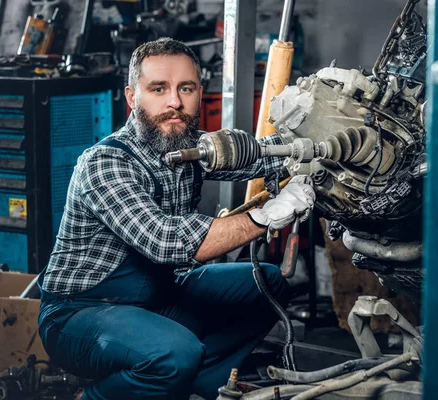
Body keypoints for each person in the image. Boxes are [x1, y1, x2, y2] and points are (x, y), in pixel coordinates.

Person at [37, 37, 315, 400]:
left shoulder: (193, 148)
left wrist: (309, 150)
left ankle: (198, 385)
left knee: (268, 282)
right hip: (80, 314)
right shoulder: (105, 163)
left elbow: (263, 158)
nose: (175, 102)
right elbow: (165, 241)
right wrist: (266, 217)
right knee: (174, 353)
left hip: (157, 294)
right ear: (133, 97)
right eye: (159, 89)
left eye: (186, 88)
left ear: (199, 92)